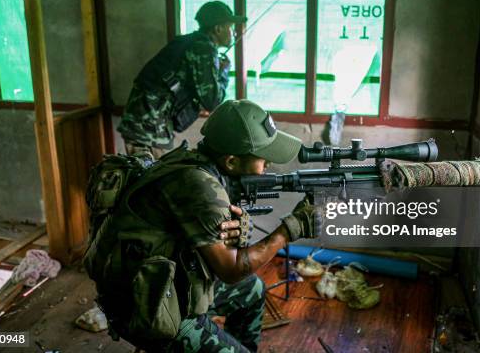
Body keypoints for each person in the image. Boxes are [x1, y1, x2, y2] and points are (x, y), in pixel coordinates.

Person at [88, 100, 321, 352]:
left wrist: (234, 232)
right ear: (231, 161)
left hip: (159, 282)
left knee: (252, 289)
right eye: (263, 158)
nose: (269, 165)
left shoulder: (194, 161)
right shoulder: (201, 186)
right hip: (145, 305)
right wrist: (288, 230)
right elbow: (230, 270)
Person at [117, 1, 247, 159]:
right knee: (150, 178)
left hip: (146, 123)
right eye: (230, 27)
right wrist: (224, 72)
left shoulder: (189, 42)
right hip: (147, 126)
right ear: (218, 29)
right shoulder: (203, 48)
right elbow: (211, 101)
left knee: (155, 175)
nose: (234, 33)